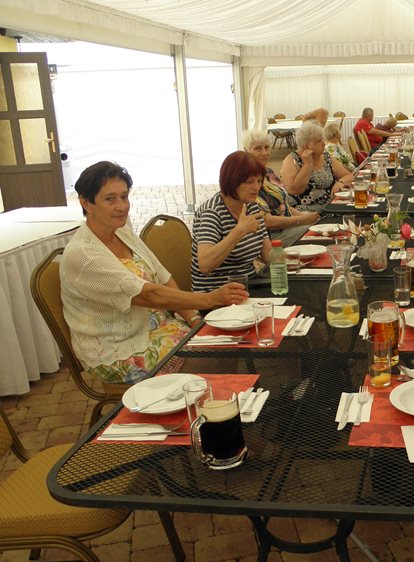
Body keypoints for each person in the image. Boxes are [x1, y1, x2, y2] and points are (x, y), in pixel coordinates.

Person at [60, 161, 248, 384]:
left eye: (124, 196)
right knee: (212, 361)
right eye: (110, 199)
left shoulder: (122, 233)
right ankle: (207, 411)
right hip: (118, 351)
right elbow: (147, 294)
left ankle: (218, 410)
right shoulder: (83, 254)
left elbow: (162, 276)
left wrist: (195, 318)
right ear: (85, 202)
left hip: (161, 330)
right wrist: (209, 298)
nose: (122, 206)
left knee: (227, 343)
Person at [192, 151, 273, 293]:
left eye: (259, 181)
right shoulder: (212, 212)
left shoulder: (252, 207)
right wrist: (239, 231)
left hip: (250, 287)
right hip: (217, 295)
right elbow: (205, 264)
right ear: (232, 181)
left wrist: (292, 259)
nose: (256, 187)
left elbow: (268, 255)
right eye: (249, 182)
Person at [243, 129, 319, 247]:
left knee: (322, 222)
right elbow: (266, 222)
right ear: (246, 151)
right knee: (317, 233)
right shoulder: (247, 179)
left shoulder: (268, 172)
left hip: (288, 225)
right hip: (271, 236)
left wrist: (301, 215)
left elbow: (282, 203)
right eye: (258, 148)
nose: (264, 153)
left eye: (267, 147)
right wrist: (300, 220)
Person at [281, 120, 354, 212]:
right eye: (319, 141)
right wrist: (307, 165)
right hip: (306, 212)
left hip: (330, 206)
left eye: (323, 139)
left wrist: (340, 182)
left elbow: (349, 175)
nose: (324, 143)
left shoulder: (326, 157)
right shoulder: (292, 160)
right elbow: (294, 190)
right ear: (306, 146)